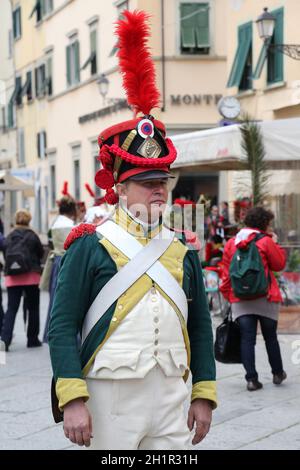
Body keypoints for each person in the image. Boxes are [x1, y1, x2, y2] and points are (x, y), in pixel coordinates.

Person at [49, 10, 216, 450]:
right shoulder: (90, 243)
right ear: (119, 187)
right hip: (110, 397)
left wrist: (203, 394)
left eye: (162, 181)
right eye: (147, 182)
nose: (158, 190)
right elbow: (63, 325)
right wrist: (72, 398)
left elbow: (199, 326)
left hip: (171, 395)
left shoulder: (182, 249)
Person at [220, 206, 287, 391]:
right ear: (265, 223)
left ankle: (251, 379)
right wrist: (276, 243)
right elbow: (279, 264)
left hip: (240, 300)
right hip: (265, 297)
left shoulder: (232, 243)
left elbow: (225, 274)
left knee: (247, 339)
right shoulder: (265, 241)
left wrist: (230, 296)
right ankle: (277, 373)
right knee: (270, 337)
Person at [1, 209, 44, 351]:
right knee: (33, 308)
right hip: (31, 276)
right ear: (29, 220)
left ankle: (5, 340)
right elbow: (41, 253)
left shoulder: (10, 236)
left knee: (11, 308)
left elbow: (5, 251)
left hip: (13, 276)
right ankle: (32, 339)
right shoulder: (32, 236)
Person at [40, 195, 77, 343]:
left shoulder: (54, 224)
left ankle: (51, 332)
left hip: (56, 261)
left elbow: (50, 244)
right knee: (67, 299)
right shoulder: (71, 225)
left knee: (54, 299)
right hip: (68, 260)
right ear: (72, 210)